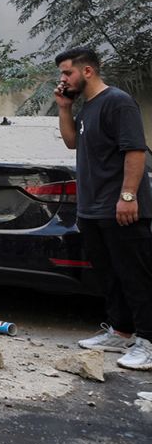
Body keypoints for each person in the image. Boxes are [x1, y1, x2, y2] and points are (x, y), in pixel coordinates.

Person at [56, 46, 152, 371]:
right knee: (110, 277)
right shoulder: (88, 107)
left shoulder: (118, 102)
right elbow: (72, 142)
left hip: (120, 208)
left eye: (66, 73)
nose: (62, 79)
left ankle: (148, 343)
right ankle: (121, 331)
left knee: (136, 276)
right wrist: (64, 108)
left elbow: (135, 150)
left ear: (87, 71)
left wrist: (128, 196)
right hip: (93, 209)